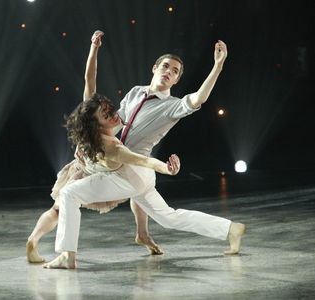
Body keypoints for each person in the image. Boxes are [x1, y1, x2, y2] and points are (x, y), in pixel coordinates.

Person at [44, 33, 245, 269]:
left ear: (176, 80)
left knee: (69, 194)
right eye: (166, 66)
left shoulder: (173, 106)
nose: (169, 71)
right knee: (169, 217)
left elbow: (198, 98)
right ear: (155, 68)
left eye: (175, 71)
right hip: (134, 170)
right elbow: (111, 118)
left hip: (132, 170)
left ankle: (68, 256)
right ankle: (231, 229)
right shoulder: (136, 92)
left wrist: (218, 66)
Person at [26, 31, 175, 263]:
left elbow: (89, 79)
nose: (113, 114)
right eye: (108, 113)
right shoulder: (108, 134)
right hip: (99, 170)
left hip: (84, 165)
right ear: (100, 118)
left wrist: (94, 48)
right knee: (138, 186)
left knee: (58, 208)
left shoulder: (88, 121)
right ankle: (142, 233)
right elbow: (142, 161)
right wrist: (165, 168)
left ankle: (34, 240)